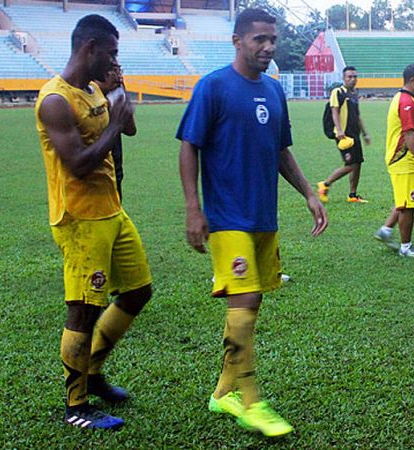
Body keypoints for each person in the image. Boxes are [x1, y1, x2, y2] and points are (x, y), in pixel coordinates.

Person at [176, 8, 328, 437]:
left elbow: (280, 150)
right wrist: (193, 207)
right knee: (241, 306)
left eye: (272, 40)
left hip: (264, 215)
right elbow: (189, 148)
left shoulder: (276, 92)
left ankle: (223, 391)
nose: (268, 47)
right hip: (227, 218)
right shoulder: (213, 87)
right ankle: (250, 400)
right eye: (260, 39)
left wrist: (309, 193)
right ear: (238, 41)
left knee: (253, 302)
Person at [36, 14, 153, 430]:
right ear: (90, 48)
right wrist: (115, 124)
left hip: (111, 211)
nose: (114, 59)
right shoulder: (55, 100)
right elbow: (79, 165)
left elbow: (131, 129)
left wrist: (119, 90)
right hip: (80, 218)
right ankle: (76, 406)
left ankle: (95, 371)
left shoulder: (94, 89)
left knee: (138, 291)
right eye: (111, 52)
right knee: (83, 310)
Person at [374, 64, 414, 258]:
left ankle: (386, 230)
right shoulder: (406, 102)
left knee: (403, 199)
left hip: (399, 158)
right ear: (413, 80)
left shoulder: (401, 98)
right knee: (408, 204)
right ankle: (406, 247)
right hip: (404, 159)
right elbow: (409, 134)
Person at [317, 66, 371, 203]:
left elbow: (358, 116)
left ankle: (353, 195)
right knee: (350, 164)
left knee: (358, 163)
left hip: (355, 134)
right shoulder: (338, 92)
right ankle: (325, 184)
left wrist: (365, 134)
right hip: (344, 136)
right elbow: (334, 111)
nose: (353, 79)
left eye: (355, 77)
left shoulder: (353, 94)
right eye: (349, 77)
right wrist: (339, 130)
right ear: (344, 78)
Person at [96, 63, 136, 200]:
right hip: (96, 175)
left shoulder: (115, 97)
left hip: (115, 171)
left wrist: (122, 95)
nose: (118, 75)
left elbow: (131, 130)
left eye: (120, 70)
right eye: (114, 70)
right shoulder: (89, 101)